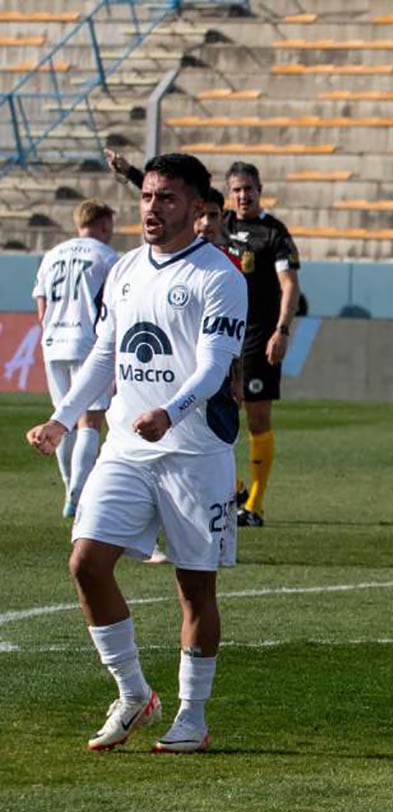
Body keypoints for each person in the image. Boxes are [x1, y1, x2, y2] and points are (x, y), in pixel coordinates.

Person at [25, 152, 248, 753]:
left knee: (195, 588)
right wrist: (62, 419)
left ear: (198, 207)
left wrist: (170, 412)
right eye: (147, 196)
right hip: (126, 446)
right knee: (85, 563)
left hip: (194, 454)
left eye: (167, 198)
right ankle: (132, 694)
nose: (152, 208)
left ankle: (192, 718)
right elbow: (104, 353)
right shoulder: (122, 269)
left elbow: (213, 367)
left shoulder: (220, 276)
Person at [222, 161, 301, 527]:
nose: (243, 195)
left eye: (248, 189)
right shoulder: (219, 225)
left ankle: (254, 503)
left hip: (257, 338)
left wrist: (281, 331)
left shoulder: (273, 233)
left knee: (256, 419)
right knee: (213, 416)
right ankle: (233, 487)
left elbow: (289, 284)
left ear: (259, 189)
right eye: (236, 189)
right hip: (222, 335)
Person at [31, 199, 119, 518]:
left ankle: (69, 482)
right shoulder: (107, 257)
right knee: (89, 420)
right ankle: (77, 492)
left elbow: (40, 306)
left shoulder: (53, 254)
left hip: (53, 341)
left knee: (62, 417)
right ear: (103, 223)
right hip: (88, 343)